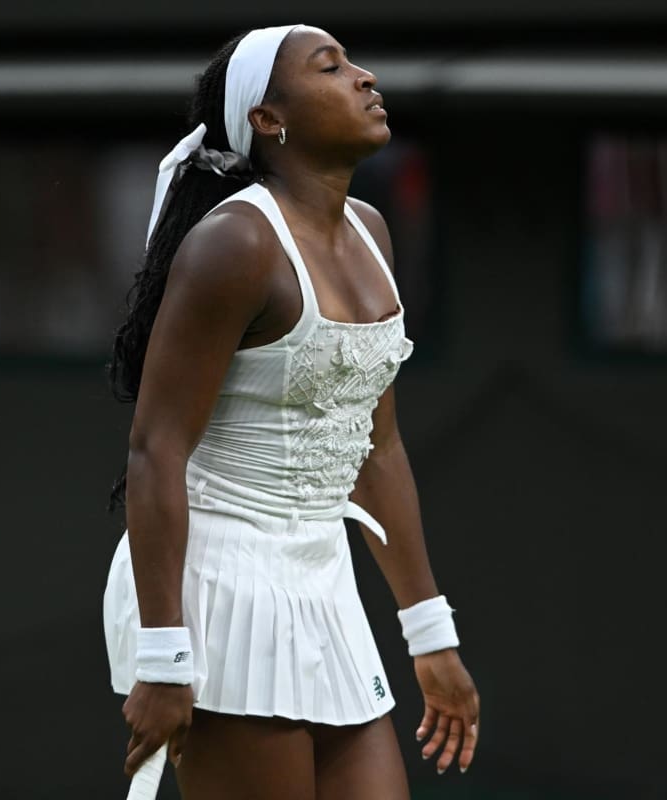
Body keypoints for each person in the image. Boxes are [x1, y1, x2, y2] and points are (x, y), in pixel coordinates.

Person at [102, 24, 479, 799]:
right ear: (269, 119)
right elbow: (156, 450)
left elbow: (377, 450)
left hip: (324, 579)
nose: (365, 77)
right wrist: (164, 657)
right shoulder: (234, 244)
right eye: (331, 67)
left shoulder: (373, 231)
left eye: (355, 62)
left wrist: (430, 634)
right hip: (217, 586)